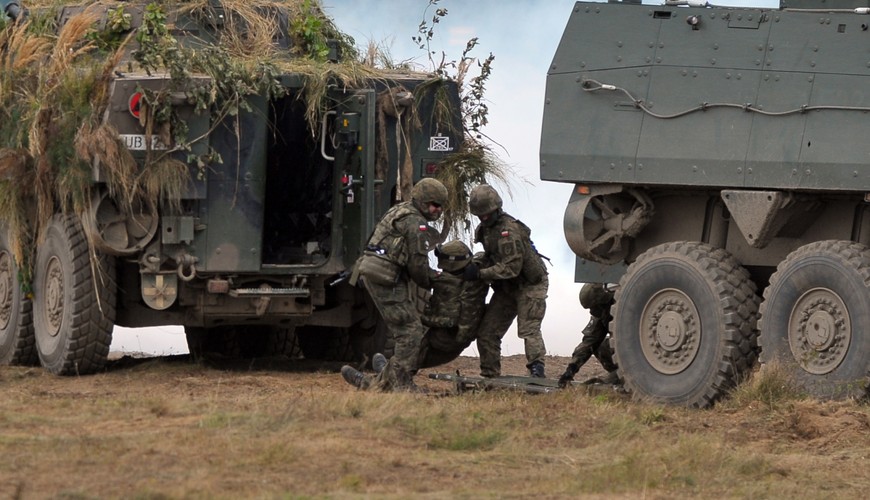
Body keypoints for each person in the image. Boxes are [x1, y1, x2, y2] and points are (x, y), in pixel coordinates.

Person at [341, 177, 447, 391]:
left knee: (407, 329)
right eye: (435, 205)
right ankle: (400, 384)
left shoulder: (399, 210)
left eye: (441, 206)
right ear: (422, 201)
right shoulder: (415, 223)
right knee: (411, 331)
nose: (438, 210)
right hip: (385, 277)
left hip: (376, 273)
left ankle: (383, 379)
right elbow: (417, 265)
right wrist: (436, 280)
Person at [342, 240, 489, 389]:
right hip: (453, 340)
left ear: (451, 264)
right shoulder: (477, 277)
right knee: (407, 360)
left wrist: (421, 318)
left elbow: (446, 319)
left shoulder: (447, 283)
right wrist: (475, 264)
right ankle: (386, 371)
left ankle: (369, 383)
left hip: (443, 342)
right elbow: (484, 256)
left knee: (409, 354)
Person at [464, 184, 549, 378]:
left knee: (529, 329)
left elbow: (511, 268)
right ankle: (490, 374)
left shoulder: (509, 230)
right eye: (480, 216)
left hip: (530, 284)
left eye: (487, 215)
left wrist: (480, 274)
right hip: (507, 287)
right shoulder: (485, 230)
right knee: (487, 332)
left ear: (496, 209)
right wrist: (475, 265)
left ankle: (537, 370)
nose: (484, 218)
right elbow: (491, 256)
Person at [558, 283, 620, 388]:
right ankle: (617, 375)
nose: (592, 311)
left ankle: (620, 378)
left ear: (602, 302)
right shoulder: (603, 313)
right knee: (601, 347)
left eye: (593, 307)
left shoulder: (622, 308)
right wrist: (571, 369)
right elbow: (589, 342)